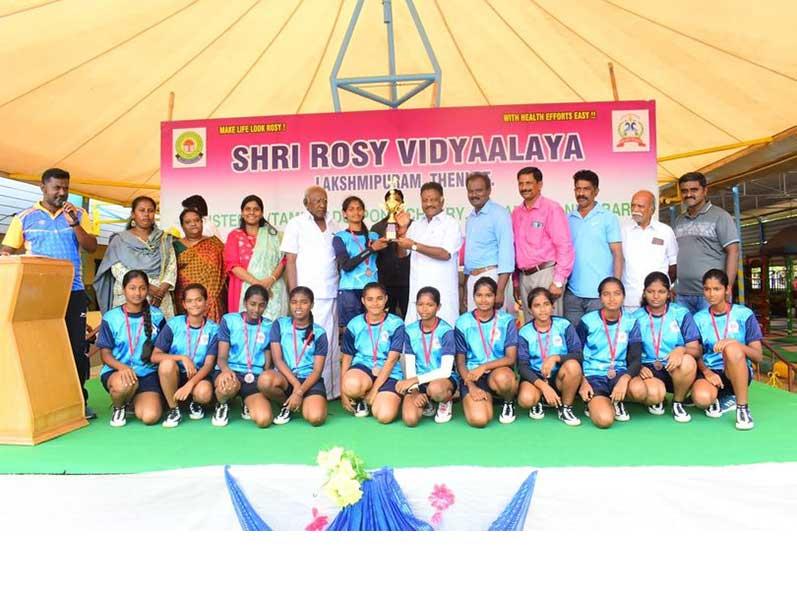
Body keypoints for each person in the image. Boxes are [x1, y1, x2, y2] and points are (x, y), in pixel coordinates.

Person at [1, 168, 98, 419]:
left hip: (73, 292)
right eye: (56, 187)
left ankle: (79, 401)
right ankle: (43, 403)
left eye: (66, 187)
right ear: (43, 188)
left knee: (76, 348)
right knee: (40, 348)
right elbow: (7, 252)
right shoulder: (24, 217)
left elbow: (91, 247)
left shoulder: (79, 214)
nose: (62, 192)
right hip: (37, 296)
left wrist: (74, 223)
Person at [281, 186, 341, 399]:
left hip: (331, 291)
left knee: (330, 341)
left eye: (324, 200)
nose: (321, 205)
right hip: (306, 295)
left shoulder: (335, 224)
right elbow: (290, 260)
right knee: (307, 342)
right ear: (306, 203)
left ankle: (331, 391)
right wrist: (294, 293)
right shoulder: (296, 224)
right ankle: (304, 388)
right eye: (316, 201)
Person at [692, 269, 762, 430]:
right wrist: (706, 372)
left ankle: (742, 408)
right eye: (707, 289)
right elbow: (696, 353)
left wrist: (734, 343)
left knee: (732, 349)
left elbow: (758, 356)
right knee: (701, 399)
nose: (711, 294)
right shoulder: (699, 318)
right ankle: (721, 399)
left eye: (716, 289)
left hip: (737, 371)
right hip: (712, 373)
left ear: (727, 290)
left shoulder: (744, 314)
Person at [96, 270, 166, 427]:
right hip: (118, 372)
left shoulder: (157, 316)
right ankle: (119, 406)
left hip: (147, 373)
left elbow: (163, 350)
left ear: (147, 289)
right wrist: (122, 367)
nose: (137, 293)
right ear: (124, 289)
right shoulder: (111, 317)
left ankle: (134, 400)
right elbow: (105, 354)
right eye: (132, 288)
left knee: (150, 416)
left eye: (142, 288)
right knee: (124, 384)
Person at [629, 272, 700, 423]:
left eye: (661, 292)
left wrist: (682, 350)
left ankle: (678, 402)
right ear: (644, 293)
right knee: (654, 394)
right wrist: (638, 366)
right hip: (648, 370)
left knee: (688, 361)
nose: (655, 296)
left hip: (674, 367)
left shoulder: (681, 313)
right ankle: (657, 399)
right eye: (650, 292)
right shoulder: (635, 317)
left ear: (669, 294)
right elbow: (627, 352)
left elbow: (696, 350)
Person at [94, 196, 177, 318]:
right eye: (141, 210)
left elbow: (171, 265)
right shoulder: (119, 239)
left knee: (161, 333)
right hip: (130, 293)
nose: (146, 214)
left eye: (150, 210)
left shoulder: (164, 239)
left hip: (159, 296)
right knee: (128, 332)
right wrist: (145, 287)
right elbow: (117, 269)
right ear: (133, 214)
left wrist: (161, 292)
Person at [151, 283, 220, 427]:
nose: (194, 304)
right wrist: (182, 358)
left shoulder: (214, 329)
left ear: (206, 302)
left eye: (199, 300)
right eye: (189, 301)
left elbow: (208, 365)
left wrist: (190, 385)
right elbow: (155, 356)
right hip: (175, 375)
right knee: (166, 365)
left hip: (200, 375)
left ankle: (194, 402)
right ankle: (173, 409)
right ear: (184, 304)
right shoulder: (174, 324)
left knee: (204, 393)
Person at [576, 277, 642, 428]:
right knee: (604, 420)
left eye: (617, 293)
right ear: (600, 297)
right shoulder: (587, 321)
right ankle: (595, 403)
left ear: (623, 296)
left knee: (640, 390)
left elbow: (635, 359)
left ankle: (617, 400)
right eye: (606, 294)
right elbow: (575, 354)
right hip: (593, 376)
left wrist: (624, 379)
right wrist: (582, 381)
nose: (612, 299)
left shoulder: (631, 321)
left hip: (618, 373)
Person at [260, 286, 329, 427]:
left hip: (310, 380)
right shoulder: (279, 324)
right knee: (265, 380)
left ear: (312, 305)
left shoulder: (319, 332)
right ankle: (287, 405)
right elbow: (278, 360)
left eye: (304, 302)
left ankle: (301, 401)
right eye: (294, 302)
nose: (298, 306)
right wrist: (297, 386)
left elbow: (317, 371)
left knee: (316, 418)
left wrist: (300, 392)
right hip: (286, 378)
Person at [511, 167, 574, 320]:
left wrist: (558, 281)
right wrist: (516, 282)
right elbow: (515, 249)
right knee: (530, 325)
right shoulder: (517, 213)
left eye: (529, 183)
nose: (524, 187)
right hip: (524, 277)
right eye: (521, 184)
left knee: (551, 324)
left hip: (547, 275)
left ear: (540, 185)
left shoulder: (551, 209)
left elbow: (564, 246)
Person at [455, 277, 518, 427]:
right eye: (479, 295)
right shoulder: (462, 322)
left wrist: (484, 367)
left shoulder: (506, 320)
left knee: (504, 379)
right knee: (480, 420)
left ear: (495, 296)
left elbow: (511, 358)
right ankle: (487, 398)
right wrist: (471, 386)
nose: (483, 300)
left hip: (498, 372)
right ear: (473, 296)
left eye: (489, 295)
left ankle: (508, 402)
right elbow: (460, 362)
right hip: (472, 376)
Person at [673, 172, 740, 313]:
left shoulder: (721, 216)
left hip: (711, 295)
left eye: (694, 190)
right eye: (684, 191)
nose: (688, 194)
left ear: (705, 190)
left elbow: (733, 251)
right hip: (683, 295)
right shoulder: (679, 220)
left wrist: (727, 287)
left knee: (713, 334)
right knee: (686, 335)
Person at [398, 181, 463, 327]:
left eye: (433, 199)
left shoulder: (450, 224)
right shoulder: (416, 224)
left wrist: (414, 245)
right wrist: (402, 229)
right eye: (425, 200)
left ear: (442, 200)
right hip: (417, 292)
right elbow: (402, 254)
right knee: (415, 338)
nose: (429, 204)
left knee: (445, 335)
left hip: (442, 292)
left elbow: (445, 253)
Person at [340, 282, 405, 423]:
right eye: (370, 299)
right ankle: (360, 400)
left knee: (384, 416)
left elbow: (392, 360)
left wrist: (375, 390)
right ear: (363, 301)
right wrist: (343, 392)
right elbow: (346, 357)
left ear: (386, 299)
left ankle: (379, 397)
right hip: (363, 368)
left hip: (389, 371)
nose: (375, 303)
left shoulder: (397, 323)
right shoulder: (354, 324)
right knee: (351, 385)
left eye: (379, 298)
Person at [517, 287, 583, 426]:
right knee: (525, 399)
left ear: (553, 306)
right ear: (529, 310)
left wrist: (555, 358)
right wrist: (543, 387)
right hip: (536, 378)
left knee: (573, 366)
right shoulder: (524, 332)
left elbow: (578, 355)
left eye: (546, 304)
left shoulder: (564, 325)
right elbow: (522, 367)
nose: (542, 309)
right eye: (537, 305)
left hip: (560, 376)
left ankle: (565, 408)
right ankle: (539, 400)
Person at [565, 170, 623, 326]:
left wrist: (615, 289)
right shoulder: (567, 218)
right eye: (578, 189)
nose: (581, 193)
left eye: (586, 189)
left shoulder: (608, 218)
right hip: (572, 294)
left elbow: (617, 254)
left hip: (600, 295)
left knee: (597, 342)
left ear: (596, 191)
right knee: (574, 344)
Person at [213, 285, 274, 427]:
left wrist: (264, 382)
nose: (256, 309)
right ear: (245, 303)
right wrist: (227, 371)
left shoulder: (269, 326)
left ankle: (247, 402)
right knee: (228, 386)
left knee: (264, 420)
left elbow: (268, 361)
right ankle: (222, 404)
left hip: (254, 375)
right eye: (252, 304)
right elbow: (221, 357)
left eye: (261, 305)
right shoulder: (229, 320)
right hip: (230, 370)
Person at [396, 287, 458, 426]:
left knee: (435, 389)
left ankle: (445, 401)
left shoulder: (446, 331)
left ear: (438, 307)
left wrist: (413, 380)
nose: (424, 309)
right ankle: (427, 402)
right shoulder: (410, 330)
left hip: (442, 380)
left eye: (430, 305)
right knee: (410, 420)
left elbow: (446, 370)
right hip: (418, 380)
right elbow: (411, 364)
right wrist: (415, 390)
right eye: (420, 304)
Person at [224, 195, 286, 320]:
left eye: (256, 209)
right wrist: (259, 285)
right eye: (247, 209)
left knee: (272, 329)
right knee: (243, 330)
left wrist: (271, 280)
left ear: (262, 213)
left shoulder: (273, 235)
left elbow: (283, 260)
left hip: (273, 290)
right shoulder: (234, 236)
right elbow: (233, 265)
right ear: (242, 213)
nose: (251, 212)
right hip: (243, 289)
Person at [332, 196, 388, 326]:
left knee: (374, 329)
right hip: (350, 291)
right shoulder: (340, 237)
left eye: (359, 209)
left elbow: (385, 262)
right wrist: (371, 249)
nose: (356, 212)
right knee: (352, 331)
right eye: (351, 209)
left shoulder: (374, 237)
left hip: (373, 291)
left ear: (364, 212)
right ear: (344, 213)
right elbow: (346, 265)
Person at [463, 172, 515, 312]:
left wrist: (499, 291)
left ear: (488, 190)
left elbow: (507, 254)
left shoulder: (499, 214)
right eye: (471, 191)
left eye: (479, 190)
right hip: (473, 280)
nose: (474, 195)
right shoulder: (471, 217)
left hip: (492, 277)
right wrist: (466, 286)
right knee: (475, 328)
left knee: (494, 329)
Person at [621, 190, 678, 312]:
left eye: (640, 206)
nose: (635, 209)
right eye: (633, 205)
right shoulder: (623, 232)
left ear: (652, 210)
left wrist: (663, 287)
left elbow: (674, 266)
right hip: (631, 300)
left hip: (658, 301)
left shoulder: (665, 231)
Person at [174, 207, 226, 321]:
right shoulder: (175, 246)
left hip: (212, 299)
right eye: (188, 222)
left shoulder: (215, 244)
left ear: (202, 222)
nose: (193, 224)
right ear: (182, 226)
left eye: (197, 220)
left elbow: (226, 267)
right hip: (185, 296)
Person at [372, 189, 412, 318]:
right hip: (385, 282)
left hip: (408, 281)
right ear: (385, 204)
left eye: (397, 201)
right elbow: (373, 254)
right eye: (390, 201)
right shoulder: (377, 227)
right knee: (387, 319)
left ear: (402, 204)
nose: (393, 203)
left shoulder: (413, 226)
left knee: (410, 318)